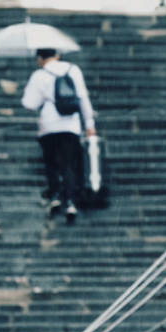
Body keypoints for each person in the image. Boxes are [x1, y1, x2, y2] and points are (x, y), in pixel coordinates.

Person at [22, 44, 96, 224]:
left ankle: (55, 196)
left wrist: (45, 98)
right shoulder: (73, 69)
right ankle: (70, 202)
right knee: (69, 163)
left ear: (40, 58)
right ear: (58, 54)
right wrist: (90, 124)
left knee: (52, 162)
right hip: (70, 124)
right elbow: (82, 98)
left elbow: (29, 103)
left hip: (48, 125)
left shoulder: (38, 75)